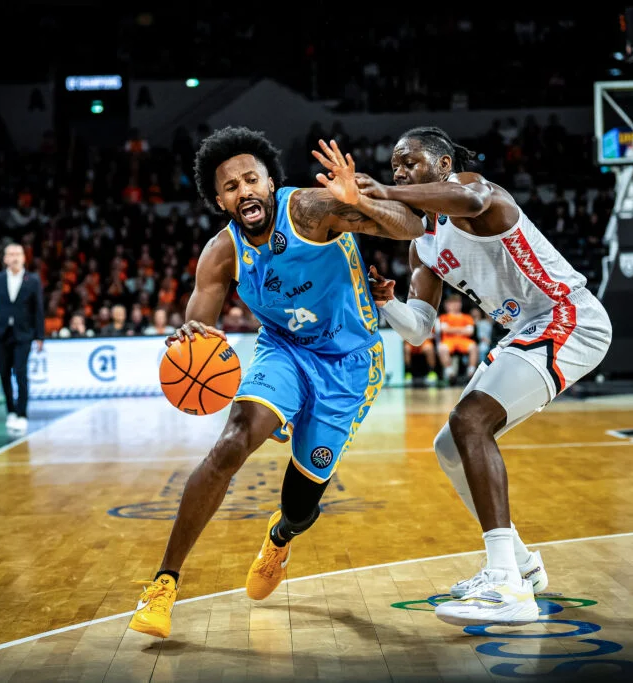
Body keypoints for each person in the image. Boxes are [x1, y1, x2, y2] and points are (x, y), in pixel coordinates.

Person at [128, 126, 424, 638]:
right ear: (219, 201)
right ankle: (163, 583)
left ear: (270, 183)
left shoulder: (310, 210)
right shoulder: (221, 252)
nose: (243, 191)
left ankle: (280, 537)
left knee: (300, 505)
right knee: (231, 443)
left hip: (349, 362)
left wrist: (361, 203)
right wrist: (190, 336)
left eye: (251, 180)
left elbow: (412, 226)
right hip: (283, 350)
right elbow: (199, 324)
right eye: (230, 187)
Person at [360, 126, 612, 626]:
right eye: (394, 167)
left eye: (410, 162)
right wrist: (388, 304)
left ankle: (506, 586)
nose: (400, 172)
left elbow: (470, 200)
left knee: (470, 421)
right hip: (528, 329)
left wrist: (384, 192)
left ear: (444, 165)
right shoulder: (422, 245)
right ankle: (521, 565)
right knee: (449, 446)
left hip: (568, 316)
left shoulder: (473, 189)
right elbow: (419, 330)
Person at [0, 243, 45, 433]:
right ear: (5, 258)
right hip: (2, 334)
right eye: (11, 254)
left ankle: (22, 413)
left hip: (24, 334)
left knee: (20, 372)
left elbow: (38, 309)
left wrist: (39, 335)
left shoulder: (33, 280)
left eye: (18, 254)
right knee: (3, 373)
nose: (14, 257)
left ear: (24, 258)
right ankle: (10, 411)